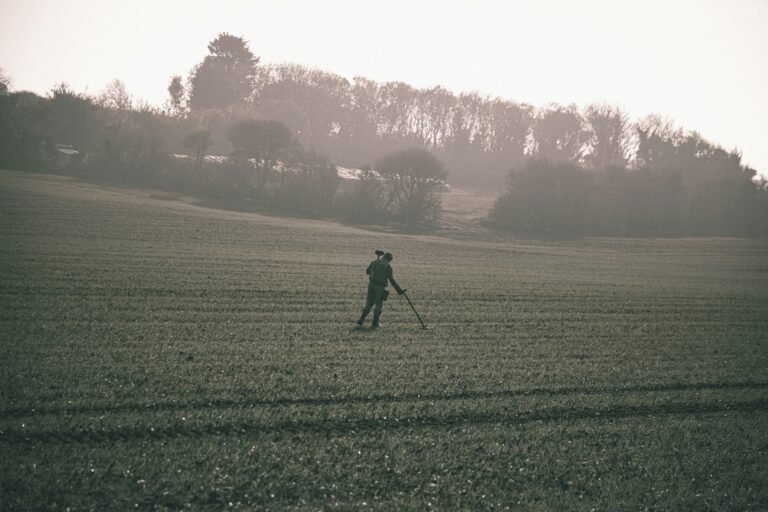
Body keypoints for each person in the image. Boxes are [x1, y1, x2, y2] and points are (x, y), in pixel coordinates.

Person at [356, 251, 405, 328]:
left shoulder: (375, 262)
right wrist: (399, 290)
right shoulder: (387, 266)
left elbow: (367, 271)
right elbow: (391, 280)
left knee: (369, 302)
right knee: (378, 304)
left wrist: (374, 269)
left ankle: (361, 319)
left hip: (371, 285)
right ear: (388, 259)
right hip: (380, 287)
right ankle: (375, 323)